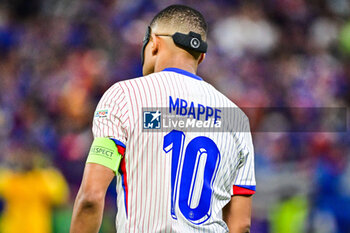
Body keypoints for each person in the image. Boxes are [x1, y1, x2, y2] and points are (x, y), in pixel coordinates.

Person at [70, 4, 256, 233]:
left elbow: (91, 197)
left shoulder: (125, 96)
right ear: (201, 57)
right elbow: (241, 224)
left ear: (154, 42)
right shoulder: (236, 118)